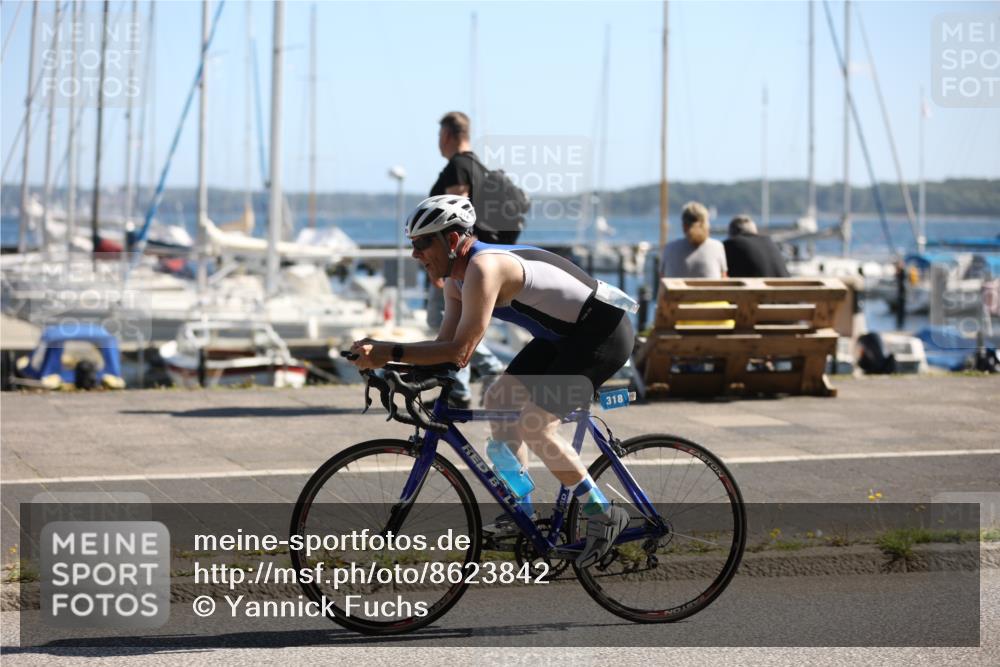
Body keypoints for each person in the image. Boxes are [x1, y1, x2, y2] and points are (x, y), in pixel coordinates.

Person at [350, 195, 633, 568]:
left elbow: (459, 352)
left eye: (422, 243)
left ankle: (604, 512)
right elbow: (442, 348)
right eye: (413, 245)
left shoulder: (485, 268)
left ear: (453, 240)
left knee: (535, 425)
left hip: (603, 334)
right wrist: (392, 368)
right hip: (562, 338)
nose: (416, 254)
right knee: (499, 400)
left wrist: (388, 351)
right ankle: (522, 512)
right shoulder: (455, 281)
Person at [427, 112, 504, 408]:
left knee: (444, 320)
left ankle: (486, 368)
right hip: (474, 258)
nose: (438, 142)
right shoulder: (478, 167)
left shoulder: (457, 167)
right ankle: (459, 388)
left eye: (439, 136)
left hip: (457, 260)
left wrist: (443, 266)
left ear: (447, 135)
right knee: (455, 321)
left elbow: (453, 220)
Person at [659, 201, 728, 278]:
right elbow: (724, 279)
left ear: (684, 226)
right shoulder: (717, 247)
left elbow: (662, 281)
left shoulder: (669, 248)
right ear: (706, 224)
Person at [723, 215, 790, 278]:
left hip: (755, 286)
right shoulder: (770, 242)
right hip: (786, 286)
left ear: (731, 232)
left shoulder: (730, 244)